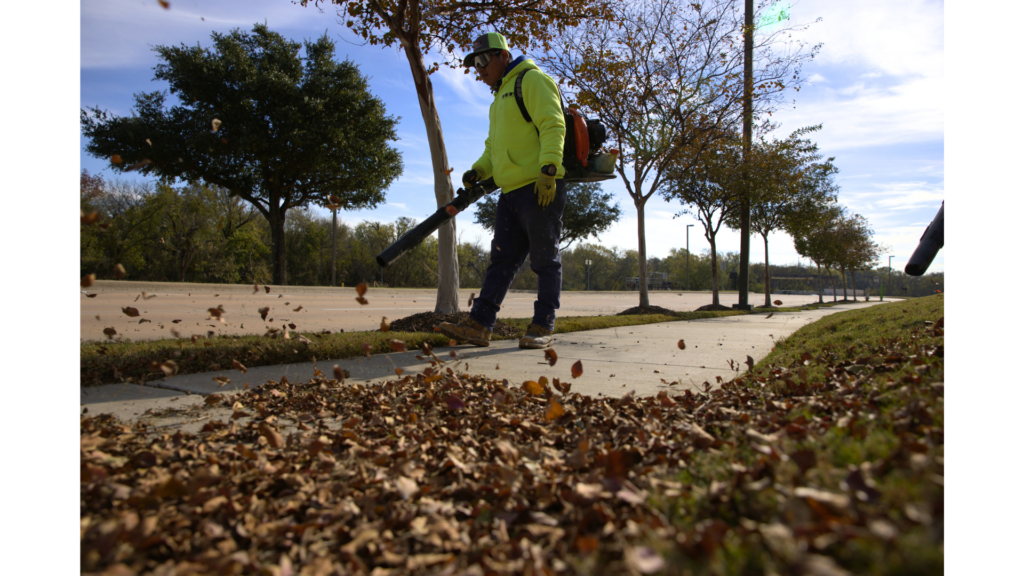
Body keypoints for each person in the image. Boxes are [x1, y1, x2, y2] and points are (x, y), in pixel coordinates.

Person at [437, 32, 567, 350]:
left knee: (545, 260)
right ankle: (480, 325)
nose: (480, 69)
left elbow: (553, 124)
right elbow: (492, 148)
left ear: (504, 56)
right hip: (509, 192)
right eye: (475, 64)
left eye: (484, 60)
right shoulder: (498, 100)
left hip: (539, 187)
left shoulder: (532, 80)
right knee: (501, 261)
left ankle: (542, 324)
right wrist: (479, 171)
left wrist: (549, 170)